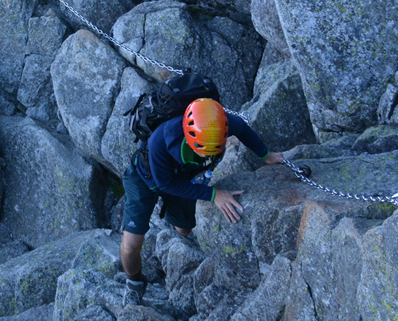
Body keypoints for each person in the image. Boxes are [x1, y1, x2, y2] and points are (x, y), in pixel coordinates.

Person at [120, 97, 284, 306]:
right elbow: (166, 184)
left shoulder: (220, 124)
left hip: (181, 176)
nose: (208, 155)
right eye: (203, 149)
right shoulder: (163, 139)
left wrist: (266, 155)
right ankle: (134, 284)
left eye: (214, 149)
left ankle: (169, 238)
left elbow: (242, 128)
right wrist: (214, 194)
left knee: (184, 230)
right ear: (188, 136)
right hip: (144, 178)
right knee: (131, 246)